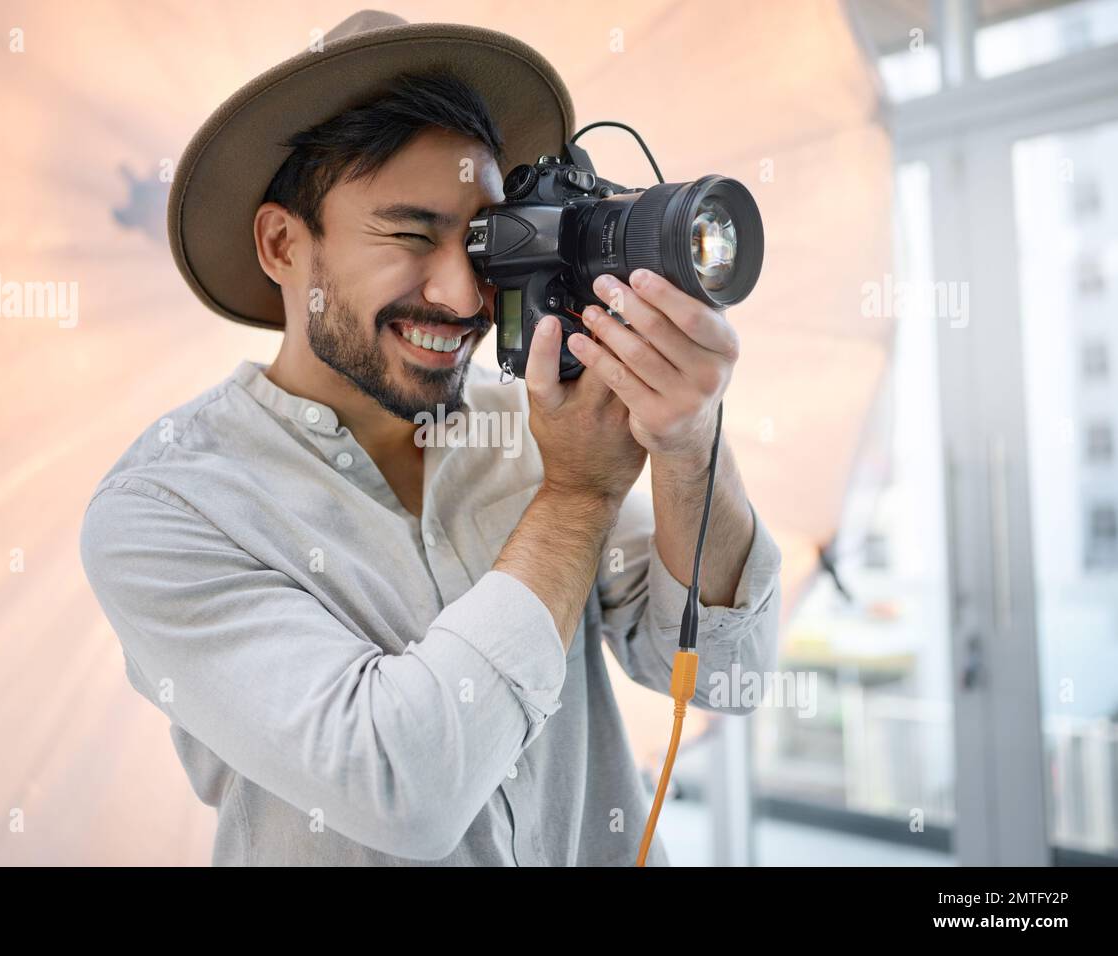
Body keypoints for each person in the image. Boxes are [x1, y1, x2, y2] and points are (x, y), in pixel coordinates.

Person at [80, 10, 782, 866]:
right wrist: (575, 498)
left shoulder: (537, 423)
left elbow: (724, 671)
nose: (461, 294)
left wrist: (689, 442)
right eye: (411, 235)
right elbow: (400, 785)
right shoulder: (167, 510)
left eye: (480, 242)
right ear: (281, 244)